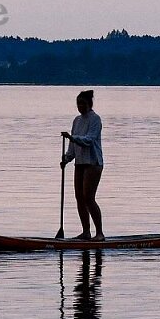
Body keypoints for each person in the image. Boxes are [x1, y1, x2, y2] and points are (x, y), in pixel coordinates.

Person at [61, 90, 104, 240]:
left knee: (88, 198)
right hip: (79, 162)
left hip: (93, 162)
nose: (80, 106)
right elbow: (73, 147)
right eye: (78, 103)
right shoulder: (76, 120)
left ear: (89, 104)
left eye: (82, 103)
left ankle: (99, 233)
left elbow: (89, 140)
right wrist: (66, 158)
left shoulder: (95, 119)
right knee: (79, 197)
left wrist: (73, 138)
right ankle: (86, 232)